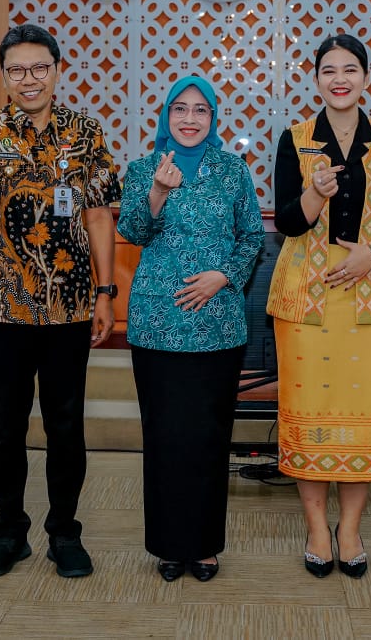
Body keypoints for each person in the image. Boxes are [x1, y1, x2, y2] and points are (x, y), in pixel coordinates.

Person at [0, 23, 121, 579]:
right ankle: (9, 532)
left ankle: (64, 533)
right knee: (6, 421)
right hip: (2, 301)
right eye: (17, 70)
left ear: (56, 70)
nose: (29, 79)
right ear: (4, 75)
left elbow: (98, 212)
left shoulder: (87, 131)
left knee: (65, 421)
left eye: (39, 68)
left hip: (70, 302)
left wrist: (105, 290)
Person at [267, 33, 371, 580]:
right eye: (329, 69)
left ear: (365, 77)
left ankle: (351, 530)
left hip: (369, 298)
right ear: (315, 79)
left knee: (361, 417)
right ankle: (316, 528)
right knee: (312, 419)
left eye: (350, 69)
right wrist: (314, 194)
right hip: (307, 303)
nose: (340, 78)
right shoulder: (295, 139)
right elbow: (286, 220)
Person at [117, 76, 264, 583]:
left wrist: (224, 276)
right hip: (157, 324)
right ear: (165, 116)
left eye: (200, 110)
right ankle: (167, 544)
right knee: (163, 436)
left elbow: (251, 238)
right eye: (180, 109)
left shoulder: (231, 171)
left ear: (213, 118)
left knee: (207, 437)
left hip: (218, 326)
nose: (189, 119)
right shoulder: (144, 169)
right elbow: (132, 232)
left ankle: (203, 546)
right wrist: (157, 191)